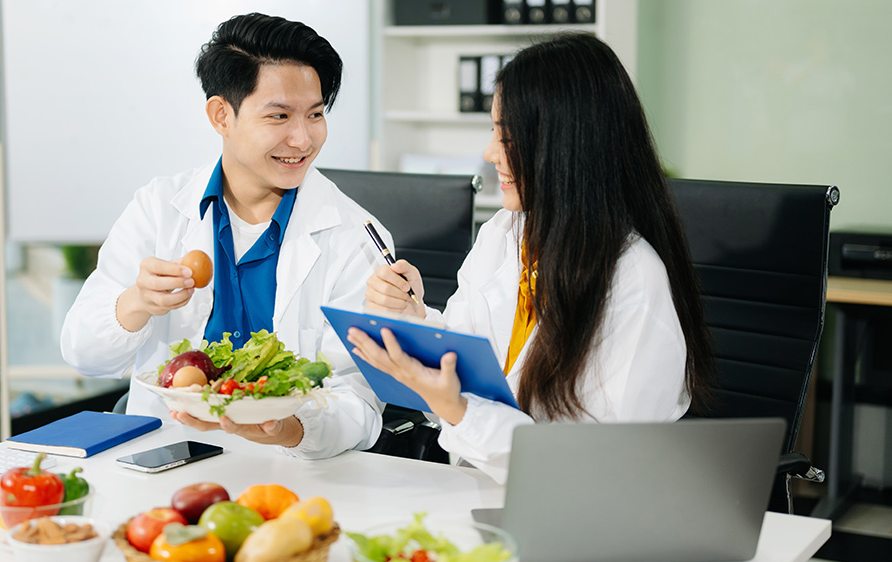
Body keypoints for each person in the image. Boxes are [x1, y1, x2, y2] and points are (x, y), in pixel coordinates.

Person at [348, 33, 716, 483]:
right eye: (493, 132)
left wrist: (459, 412)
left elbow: (600, 465)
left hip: (573, 519)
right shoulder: (505, 235)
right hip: (476, 488)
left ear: (568, 148)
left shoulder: (632, 279)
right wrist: (416, 320)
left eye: (508, 138)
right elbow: (477, 361)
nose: (488, 154)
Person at [61, 13, 393, 459]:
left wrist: (287, 429)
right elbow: (83, 353)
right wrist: (137, 302)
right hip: (165, 459)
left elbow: (362, 405)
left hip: (292, 474)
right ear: (222, 115)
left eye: (315, 114)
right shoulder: (159, 208)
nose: (303, 138)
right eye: (279, 116)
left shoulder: (357, 237)